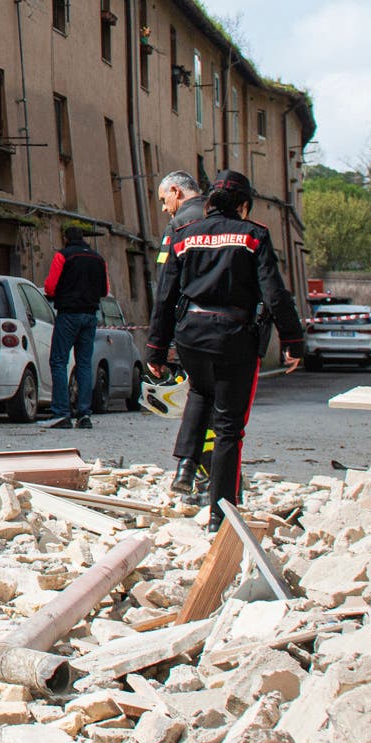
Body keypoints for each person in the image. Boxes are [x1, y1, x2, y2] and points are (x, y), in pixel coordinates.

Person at [148, 168, 304, 512]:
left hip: (191, 335)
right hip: (234, 338)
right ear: (243, 205)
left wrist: (156, 349)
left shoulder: (183, 234)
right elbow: (275, 294)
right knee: (229, 430)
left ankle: (186, 465)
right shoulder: (254, 236)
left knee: (200, 392)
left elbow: (165, 296)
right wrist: (293, 341)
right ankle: (221, 515)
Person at [41, 223, 108, 429]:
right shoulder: (99, 259)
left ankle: (61, 413)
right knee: (84, 364)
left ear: (65, 238)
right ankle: (84, 414)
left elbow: (50, 287)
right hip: (90, 315)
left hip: (68, 314)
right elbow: (105, 290)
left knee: (59, 361)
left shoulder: (63, 256)